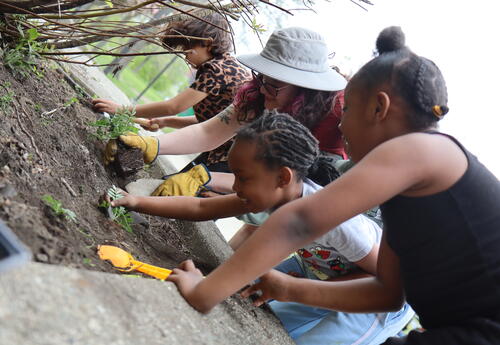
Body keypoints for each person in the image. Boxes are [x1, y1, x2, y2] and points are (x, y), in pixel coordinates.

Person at [166, 26, 500, 345]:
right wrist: (287, 288)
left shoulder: (421, 149)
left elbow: (300, 220)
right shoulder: (409, 192)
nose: (341, 121)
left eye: (350, 108)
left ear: (379, 108)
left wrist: (204, 292)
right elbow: (387, 292)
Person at [109, 112, 413, 345]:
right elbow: (201, 207)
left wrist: (296, 291)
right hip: (316, 266)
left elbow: (382, 280)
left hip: (372, 298)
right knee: (261, 312)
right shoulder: (273, 191)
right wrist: (135, 201)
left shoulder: (338, 221)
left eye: (242, 177)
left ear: (282, 177)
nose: (235, 186)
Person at [103, 27, 348, 192]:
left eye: (272, 85)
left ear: (304, 88)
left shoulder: (335, 116)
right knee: (172, 189)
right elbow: (209, 133)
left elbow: (284, 186)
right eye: (261, 78)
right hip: (247, 165)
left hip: (299, 185)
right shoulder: (257, 93)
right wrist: (153, 144)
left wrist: (211, 181)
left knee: (195, 192)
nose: (262, 89)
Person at [93, 13, 250, 172]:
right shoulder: (227, 65)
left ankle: (122, 171)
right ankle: (121, 170)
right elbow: (211, 121)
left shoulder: (216, 70)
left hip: (237, 157)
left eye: (188, 48)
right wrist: (165, 122)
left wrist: (123, 110)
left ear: (207, 44)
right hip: (224, 148)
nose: (185, 55)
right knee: (176, 182)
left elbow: (174, 106)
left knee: (185, 188)